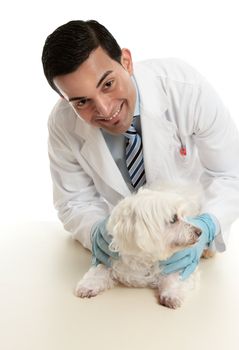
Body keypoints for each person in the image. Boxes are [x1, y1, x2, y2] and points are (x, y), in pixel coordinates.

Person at [42, 20, 239, 279]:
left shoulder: (185, 88)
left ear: (126, 61)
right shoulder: (62, 124)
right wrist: (98, 233)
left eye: (108, 84)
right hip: (132, 249)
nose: (104, 109)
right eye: (81, 101)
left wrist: (208, 226)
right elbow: (74, 201)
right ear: (64, 98)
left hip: (191, 234)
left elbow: (230, 173)